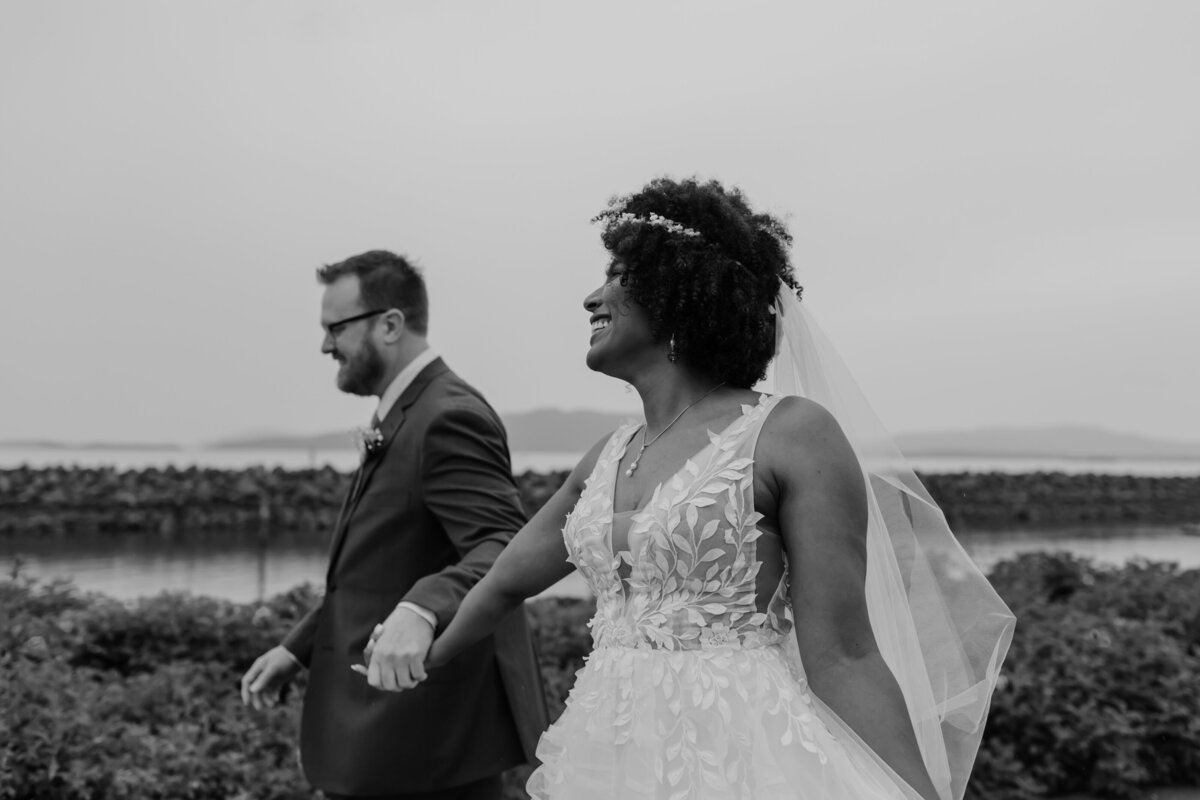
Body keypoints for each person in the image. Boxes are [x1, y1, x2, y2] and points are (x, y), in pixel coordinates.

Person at [370, 179, 1015, 800]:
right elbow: (507, 580)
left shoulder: (791, 434)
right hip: (610, 752)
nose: (590, 299)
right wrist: (427, 651)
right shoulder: (609, 455)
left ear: (677, 292)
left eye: (615, 278)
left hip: (744, 755)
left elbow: (844, 654)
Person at [240, 250, 548, 800]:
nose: (325, 345)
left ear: (389, 324)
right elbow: (379, 567)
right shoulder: (406, 411)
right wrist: (297, 648)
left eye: (335, 327)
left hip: (425, 743)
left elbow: (503, 545)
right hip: (383, 741)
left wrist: (422, 607)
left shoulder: (448, 414)